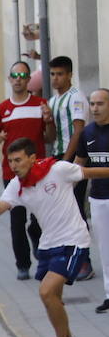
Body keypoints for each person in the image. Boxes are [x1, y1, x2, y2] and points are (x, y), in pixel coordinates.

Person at [0, 137, 109, 337]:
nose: (13, 165)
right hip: (48, 244)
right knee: (55, 298)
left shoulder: (58, 170)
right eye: (10, 160)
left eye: (18, 160)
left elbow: (90, 172)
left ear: (32, 158)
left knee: (46, 292)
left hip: (73, 240)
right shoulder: (17, 185)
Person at [0, 61, 46, 281]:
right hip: (12, 174)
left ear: (29, 79)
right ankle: (22, 264)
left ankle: (38, 242)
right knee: (16, 220)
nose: (18, 78)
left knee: (40, 217)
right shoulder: (2, 109)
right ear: (9, 79)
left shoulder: (41, 104)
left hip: (39, 171)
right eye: (14, 75)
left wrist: (49, 121)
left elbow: (49, 138)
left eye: (22, 75)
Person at [44, 56, 93, 282]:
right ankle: (67, 258)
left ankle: (85, 262)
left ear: (70, 75)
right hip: (58, 157)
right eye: (53, 74)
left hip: (72, 158)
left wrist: (66, 161)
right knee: (62, 210)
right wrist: (48, 122)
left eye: (60, 74)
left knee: (76, 209)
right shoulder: (54, 101)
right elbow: (51, 137)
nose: (56, 78)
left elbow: (79, 131)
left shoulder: (76, 98)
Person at [75, 89, 109, 314]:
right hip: (98, 200)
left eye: (100, 104)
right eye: (92, 104)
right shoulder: (87, 133)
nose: (95, 108)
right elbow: (78, 166)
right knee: (105, 250)